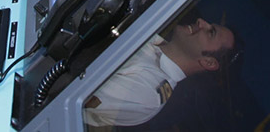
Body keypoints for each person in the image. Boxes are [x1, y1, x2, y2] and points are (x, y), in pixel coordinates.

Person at [83, 17, 237, 128]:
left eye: (211, 32)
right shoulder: (152, 32)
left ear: (208, 62)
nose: (201, 21)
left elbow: (77, 90)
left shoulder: (149, 92)